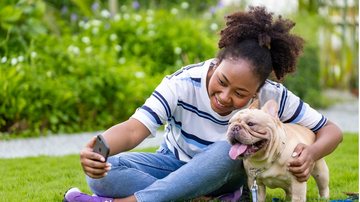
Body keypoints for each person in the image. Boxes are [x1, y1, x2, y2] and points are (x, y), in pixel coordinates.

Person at [64, 6, 342, 202]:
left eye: (239, 93)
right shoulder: (181, 82)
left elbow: (331, 131)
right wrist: (101, 148)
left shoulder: (274, 95)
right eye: (221, 82)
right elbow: (135, 129)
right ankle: (200, 197)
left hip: (228, 171)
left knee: (227, 148)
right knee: (103, 175)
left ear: (259, 89)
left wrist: (312, 153)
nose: (224, 97)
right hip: (174, 164)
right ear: (216, 62)